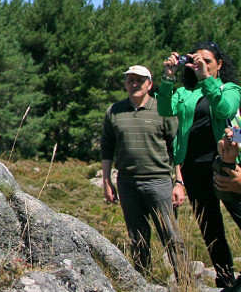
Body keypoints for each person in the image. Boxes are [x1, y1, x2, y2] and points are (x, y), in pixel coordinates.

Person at [159, 41, 241, 288]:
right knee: (211, 229)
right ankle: (226, 281)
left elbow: (224, 108)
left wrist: (207, 80)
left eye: (208, 61)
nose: (202, 65)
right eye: (198, 61)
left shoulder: (230, 88)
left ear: (219, 64)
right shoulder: (186, 92)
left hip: (223, 165)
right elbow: (164, 108)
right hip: (193, 168)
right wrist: (168, 78)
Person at [100, 65, 186, 279]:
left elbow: (176, 147)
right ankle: (143, 280)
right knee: (137, 237)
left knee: (171, 235)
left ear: (150, 84)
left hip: (158, 181)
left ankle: (186, 282)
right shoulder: (114, 111)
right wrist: (106, 181)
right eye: (130, 80)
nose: (134, 84)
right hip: (127, 182)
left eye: (139, 80)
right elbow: (106, 147)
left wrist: (179, 182)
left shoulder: (163, 109)